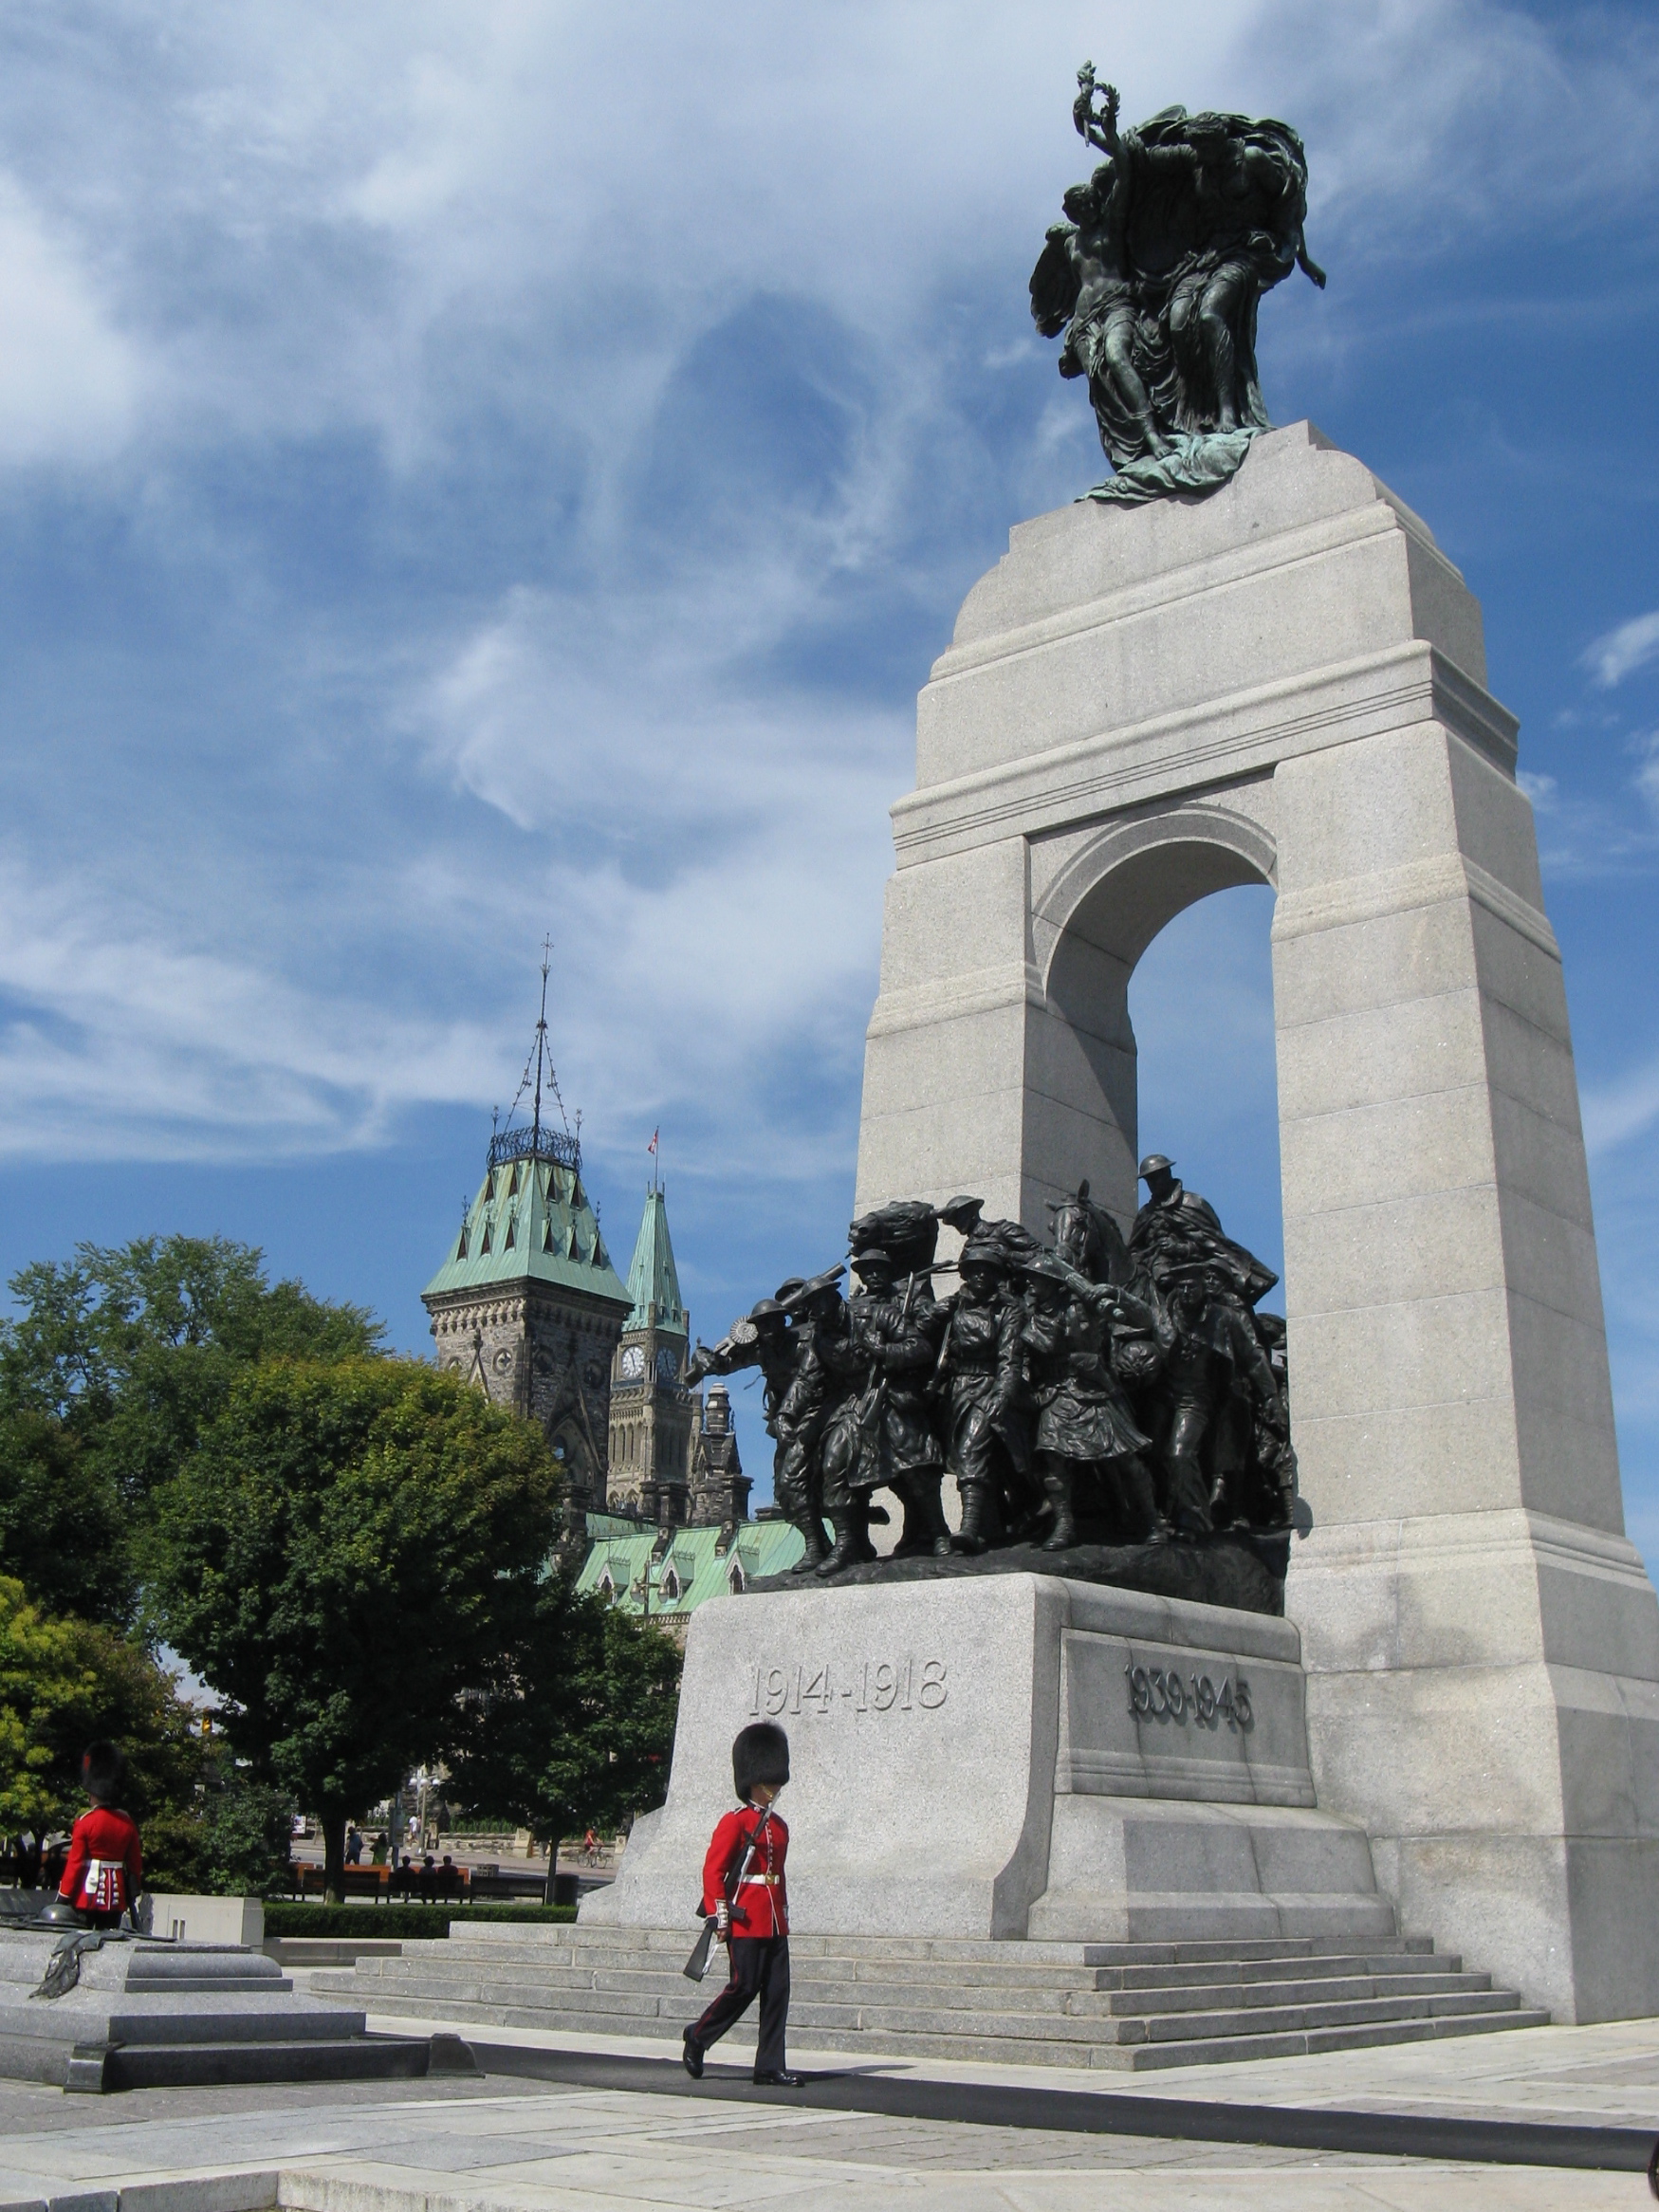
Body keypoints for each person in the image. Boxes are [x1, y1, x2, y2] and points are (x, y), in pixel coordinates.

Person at [682, 1723, 803, 2089]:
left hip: (773, 1921)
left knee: (777, 1993)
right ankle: (699, 2035)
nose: (775, 1787)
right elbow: (714, 1871)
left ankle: (769, 2065)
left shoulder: (779, 1827)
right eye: (769, 1781)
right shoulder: (735, 1823)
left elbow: (776, 1876)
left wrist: (782, 1918)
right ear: (754, 1781)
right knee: (743, 1986)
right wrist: (720, 1915)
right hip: (746, 1918)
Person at [57, 1741, 142, 1929]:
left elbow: (75, 1863)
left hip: (85, 1895)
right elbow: (135, 1863)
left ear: (92, 1792)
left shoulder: (85, 1822)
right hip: (116, 1897)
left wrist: (63, 1896)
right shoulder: (127, 1822)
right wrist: (134, 1885)